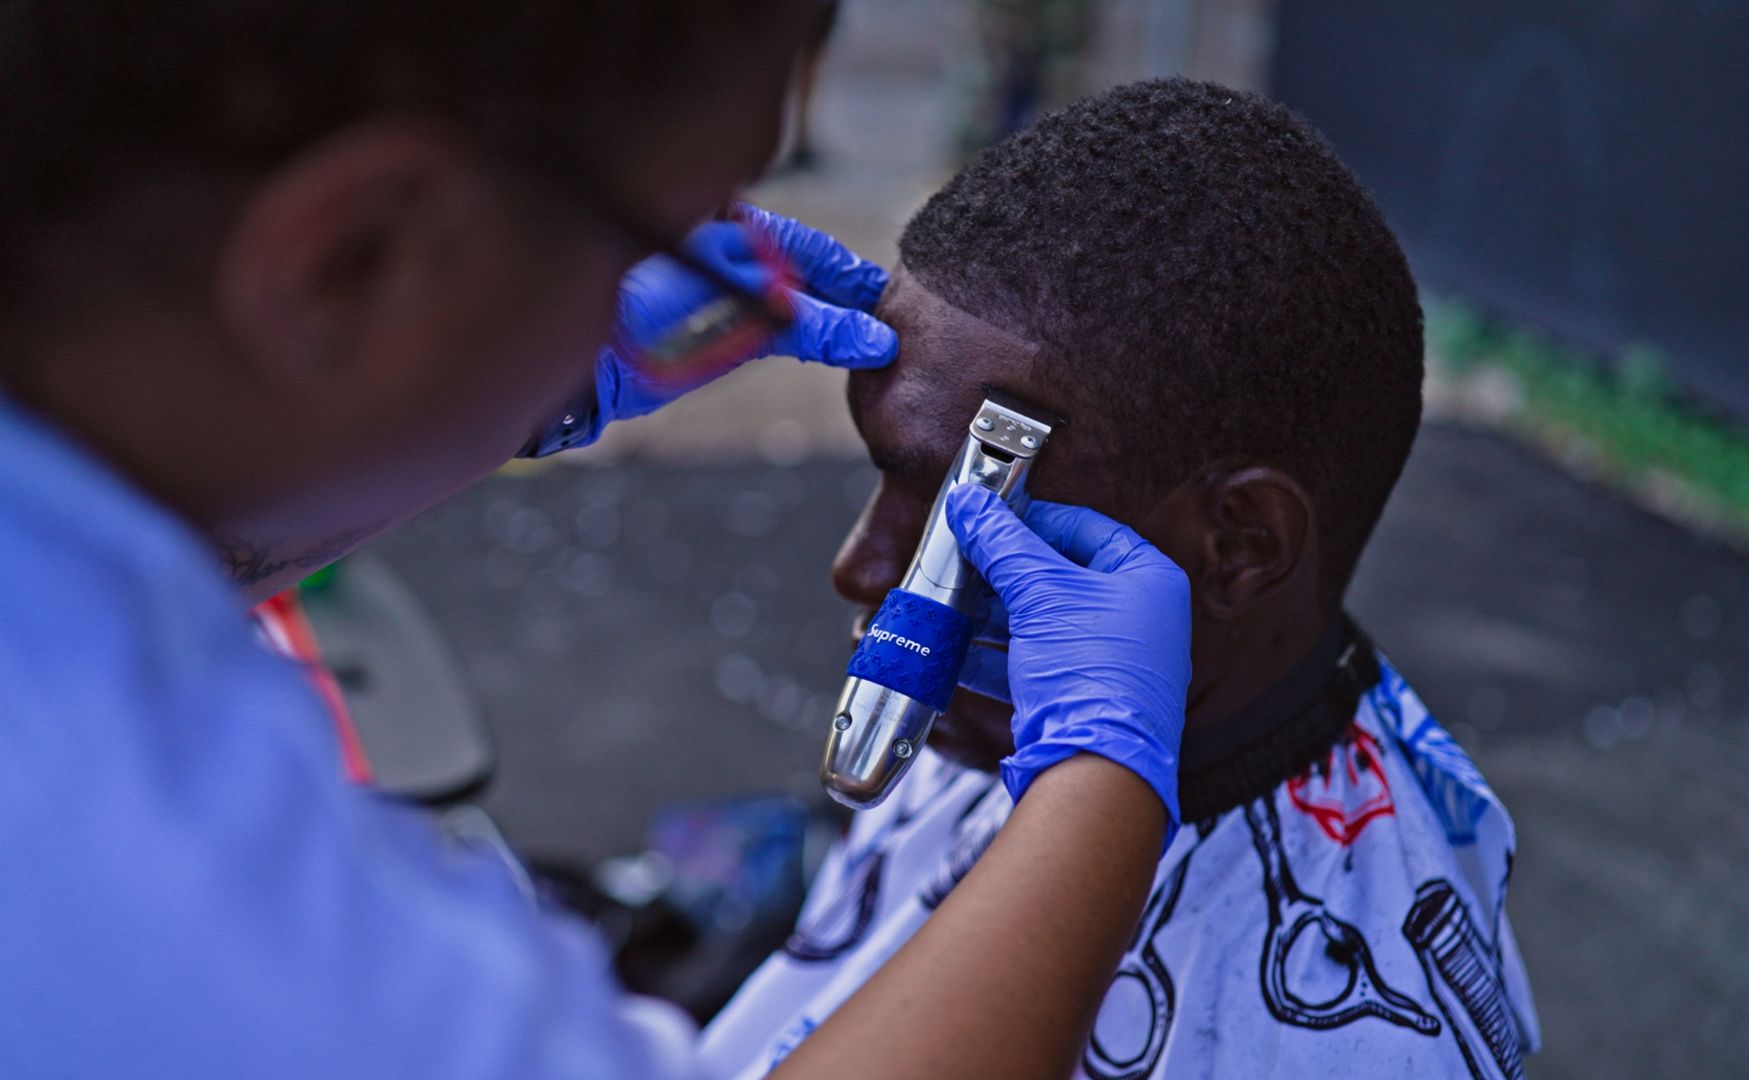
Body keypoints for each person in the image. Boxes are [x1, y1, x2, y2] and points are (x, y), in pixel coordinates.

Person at [0, 5, 1195, 1078]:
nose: (856, 569)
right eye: (677, 225)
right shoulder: (178, 896)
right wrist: (1105, 775)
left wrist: (506, 390)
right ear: (351, 254)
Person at [699, 78, 1542, 1079]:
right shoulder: (996, 725)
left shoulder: (1347, 1044)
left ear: (1240, 542)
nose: (857, 569)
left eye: (956, 518)